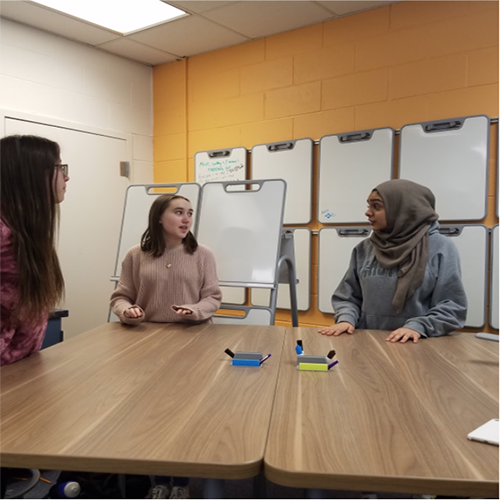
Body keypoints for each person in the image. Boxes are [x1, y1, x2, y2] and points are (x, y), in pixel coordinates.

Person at [110, 194, 222, 499]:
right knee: (151, 416)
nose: (186, 219)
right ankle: (158, 482)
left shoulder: (202, 254)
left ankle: (182, 485)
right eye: (178, 212)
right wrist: (127, 312)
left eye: (190, 213)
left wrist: (195, 310)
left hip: (192, 346)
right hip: (146, 346)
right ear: (159, 217)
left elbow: (212, 297)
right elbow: (120, 297)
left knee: (185, 416)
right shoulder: (136, 254)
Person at [319, 179, 467, 343]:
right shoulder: (364, 248)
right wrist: (346, 319)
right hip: (367, 343)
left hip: (418, 346)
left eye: (376, 206)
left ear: (403, 210)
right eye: (368, 206)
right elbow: (348, 297)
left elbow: (452, 307)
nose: (367, 213)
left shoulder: (441, 247)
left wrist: (418, 327)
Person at [0, 135, 69, 367]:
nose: (66, 176)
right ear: (30, 174)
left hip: (20, 374)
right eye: (59, 168)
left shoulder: (24, 230)